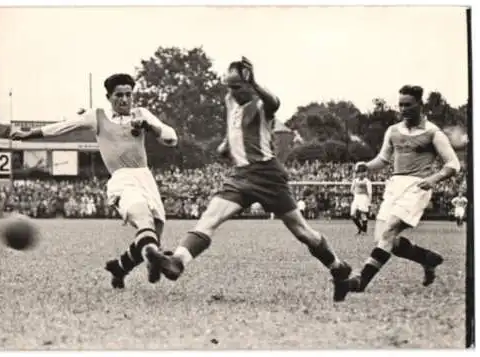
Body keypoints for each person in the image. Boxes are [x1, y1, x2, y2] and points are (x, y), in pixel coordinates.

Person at [145, 57, 352, 302]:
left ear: (249, 84)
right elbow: (234, 127)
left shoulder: (262, 106)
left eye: (238, 86)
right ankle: (177, 261)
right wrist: (227, 144)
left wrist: (255, 82)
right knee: (209, 219)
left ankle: (338, 268)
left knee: (302, 231)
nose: (232, 91)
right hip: (240, 175)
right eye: (229, 85)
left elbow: (275, 102)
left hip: (267, 175)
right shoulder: (229, 100)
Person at [10, 73, 178, 288]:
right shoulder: (97, 116)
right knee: (143, 219)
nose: (125, 100)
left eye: (128, 95)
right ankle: (152, 256)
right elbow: (64, 126)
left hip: (145, 177)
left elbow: (171, 138)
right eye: (119, 95)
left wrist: (149, 126)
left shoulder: (142, 114)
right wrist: (29, 134)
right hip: (122, 178)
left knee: (153, 233)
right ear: (109, 97)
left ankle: (121, 266)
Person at [337, 85, 461, 301]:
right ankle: (427, 258)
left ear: (420, 105)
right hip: (394, 185)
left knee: (390, 230)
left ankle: (360, 281)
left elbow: (453, 164)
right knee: (385, 240)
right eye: (400, 104)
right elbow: (383, 159)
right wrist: (366, 165)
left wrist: (432, 179)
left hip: (417, 186)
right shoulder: (393, 130)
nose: (403, 108)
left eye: (408, 104)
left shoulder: (433, 132)